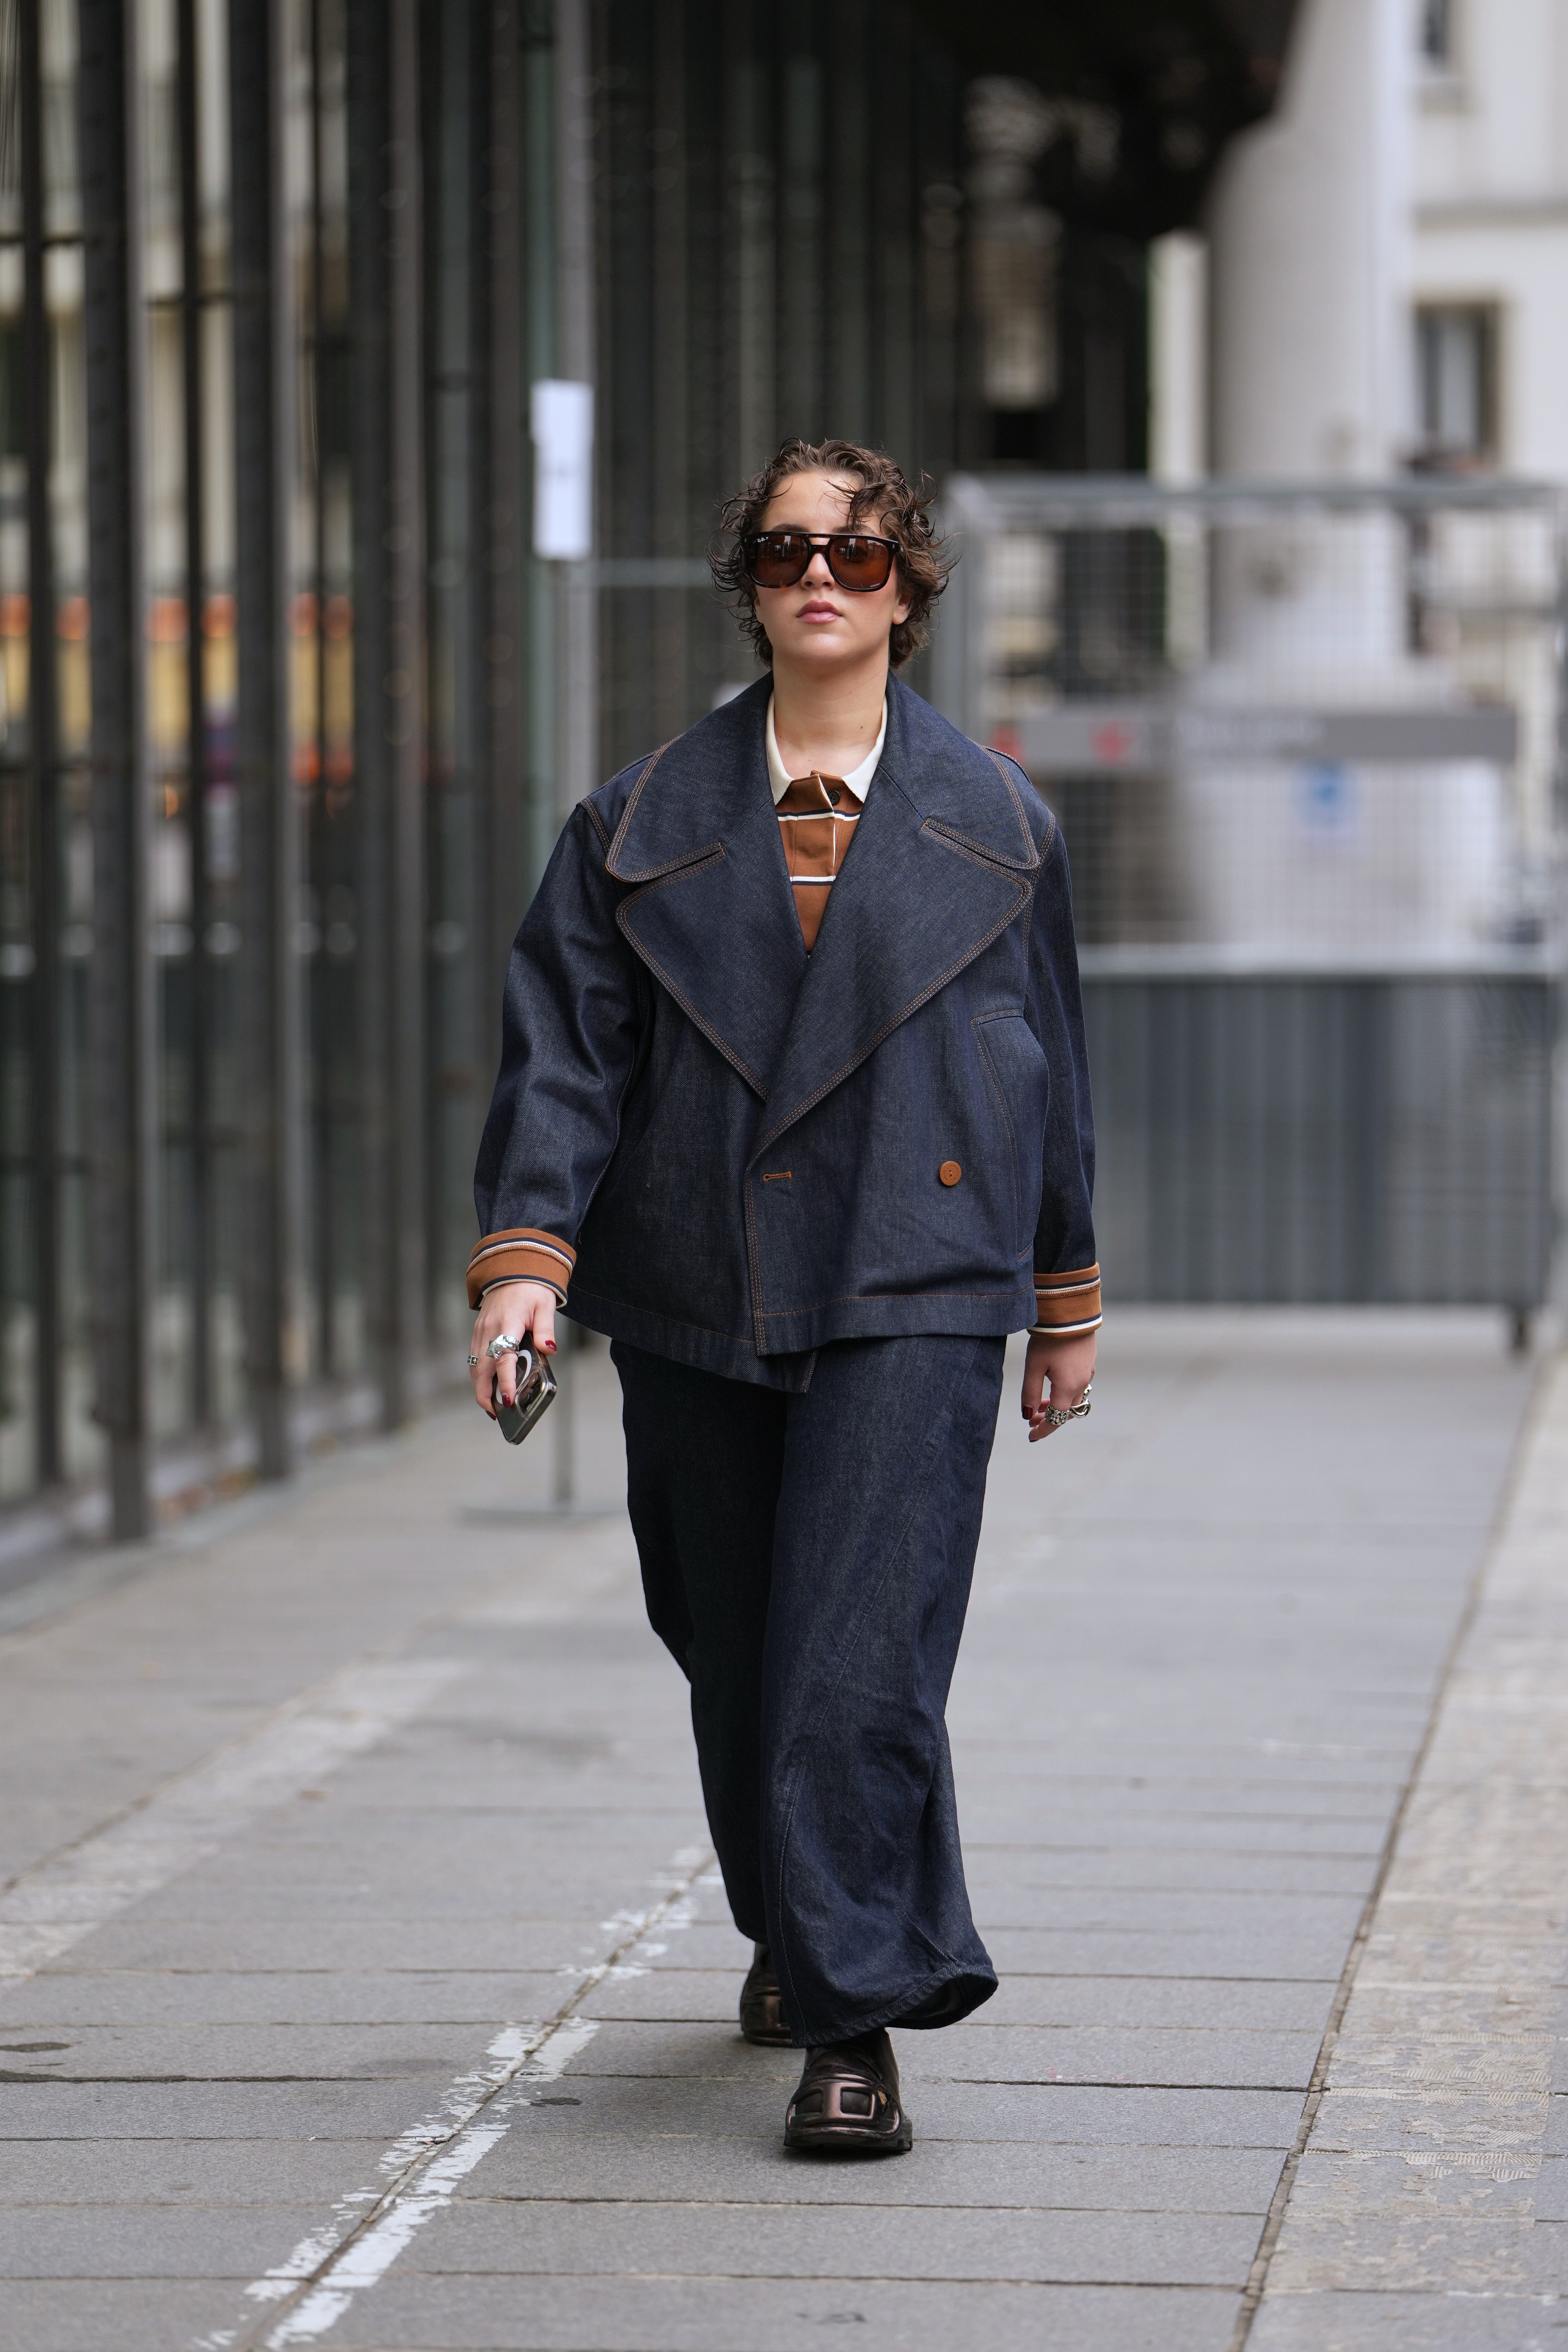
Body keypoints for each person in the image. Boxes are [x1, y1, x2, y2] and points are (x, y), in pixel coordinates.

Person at [468, 437, 1099, 2156]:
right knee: (733, 1647)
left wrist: (1067, 1301)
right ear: (746, 583)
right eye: (784, 547)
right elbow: (563, 1068)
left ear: (911, 587)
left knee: (856, 1660)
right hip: (693, 1281)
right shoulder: (633, 822)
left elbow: (1044, 1069)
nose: (822, 574)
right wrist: (524, 1268)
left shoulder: (1002, 823)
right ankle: (795, 1923)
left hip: (917, 1274)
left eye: (862, 551)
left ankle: (852, 2015)